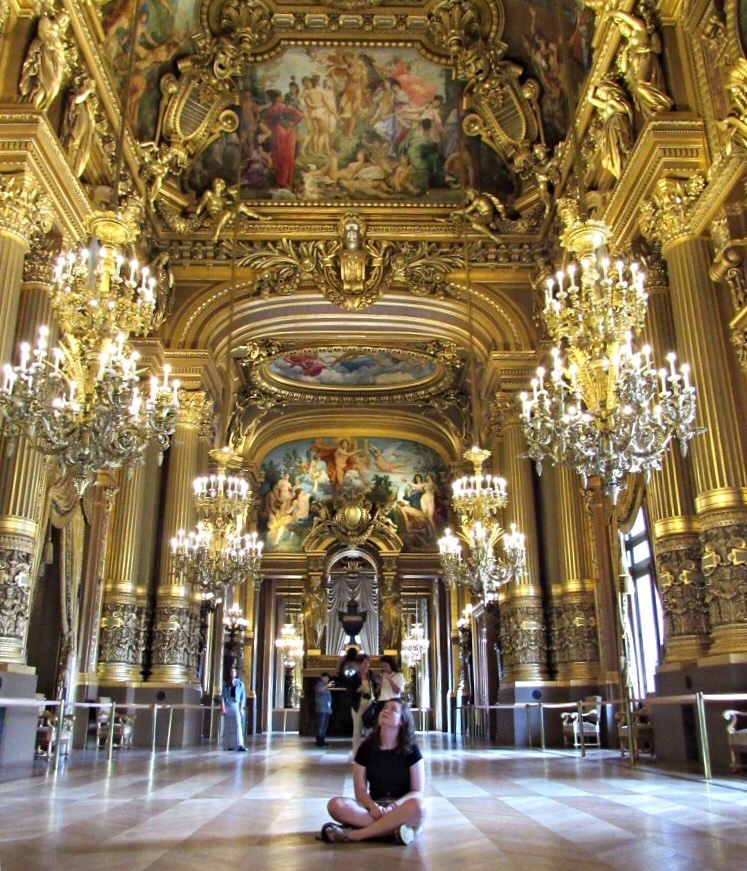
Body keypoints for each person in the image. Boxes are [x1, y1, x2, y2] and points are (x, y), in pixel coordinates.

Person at [321, 698, 425, 844]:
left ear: (402, 721)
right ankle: (395, 829)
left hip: (401, 807)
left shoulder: (411, 749)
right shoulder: (366, 748)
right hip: (373, 808)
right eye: (384, 708)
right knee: (335, 805)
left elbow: (416, 791)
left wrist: (393, 807)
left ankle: (356, 834)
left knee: (418, 807)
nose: (386, 711)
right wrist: (372, 806)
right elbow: (360, 790)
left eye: (393, 709)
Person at [349, 653, 375, 757]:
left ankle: (370, 755)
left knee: (369, 730)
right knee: (357, 731)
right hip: (358, 705)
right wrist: (358, 690)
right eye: (365, 663)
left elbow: (374, 688)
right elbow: (349, 693)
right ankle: (356, 756)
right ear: (359, 664)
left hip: (369, 704)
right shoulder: (354, 677)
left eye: (368, 663)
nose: (367, 665)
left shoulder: (371, 675)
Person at [221, 665, 247, 751]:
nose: (232, 673)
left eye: (234, 672)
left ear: (236, 673)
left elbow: (242, 697)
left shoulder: (240, 684)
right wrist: (223, 708)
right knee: (229, 726)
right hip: (229, 705)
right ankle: (230, 745)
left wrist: (241, 708)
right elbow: (223, 697)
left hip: (236, 705)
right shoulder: (226, 684)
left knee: (237, 725)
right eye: (231, 672)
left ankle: (240, 744)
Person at [315, 672, 333, 747]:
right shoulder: (319, 684)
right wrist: (327, 686)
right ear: (322, 678)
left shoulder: (327, 688)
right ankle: (319, 741)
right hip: (321, 709)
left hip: (326, 709)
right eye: (325, 678)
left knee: (324, 726)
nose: (327, 679)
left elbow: (328, 699)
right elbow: (320, 690)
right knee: (320, 726)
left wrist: (330, 708)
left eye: (328, 678)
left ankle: (322, 740)